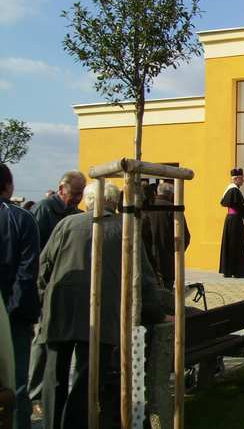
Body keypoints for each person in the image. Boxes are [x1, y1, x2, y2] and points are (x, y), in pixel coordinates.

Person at [38, 181, 168, 429]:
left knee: (54, 375)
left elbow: (44, 267)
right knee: (87, 379)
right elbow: (143, 278)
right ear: (114, 201)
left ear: (88, 201)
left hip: (60, 310)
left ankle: (52, 424)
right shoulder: (125, 228)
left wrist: (44, 301)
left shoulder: (66, 224)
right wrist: (156, 313)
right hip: (102, 312)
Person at [28, 170, 87, 414]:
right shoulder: (44, 210)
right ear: (61, 188)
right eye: (74, 193)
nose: (77, 198)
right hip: (47, 285)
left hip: (66, 289)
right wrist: (39, 287)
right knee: (42, 341)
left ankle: (48, 394)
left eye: (81, 194)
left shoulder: (74, 214)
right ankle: (35, 395)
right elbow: (36, 251)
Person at [0, 164, 41, 429]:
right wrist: (12, 310)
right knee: (16, 384)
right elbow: (27, 273)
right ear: (8, 186)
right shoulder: (22, 219)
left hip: (13, 310)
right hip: (14, 314)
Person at [146, 182, 190, 289]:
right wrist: (175, 253)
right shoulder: (174, 209)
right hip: (167, 261)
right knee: (167, 290)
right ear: (171, 194)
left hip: (147, 259)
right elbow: (185, 237)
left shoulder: (147, 206)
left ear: (157, 192)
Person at [219, 168, 244, 278]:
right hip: (236, 221)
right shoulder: (235, 191)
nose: (243, 181)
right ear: (236, 179)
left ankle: (228, 270)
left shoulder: (229, 190)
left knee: (230, 244)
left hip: (229, 219)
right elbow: (240, 207)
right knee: (237, 245)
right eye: (241, 178)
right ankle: (239, 271)